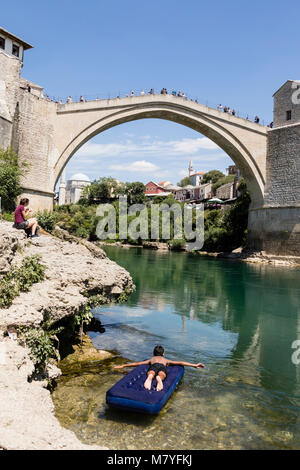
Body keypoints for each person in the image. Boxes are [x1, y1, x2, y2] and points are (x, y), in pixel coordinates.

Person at [114, 345, 205, 392]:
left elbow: (137, 363)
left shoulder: (152, 359)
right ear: (163, 353)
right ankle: (159, 379)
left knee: (151, 372)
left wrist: (123, 366)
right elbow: (180, 362)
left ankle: (150, 377)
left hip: (153, 366)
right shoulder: (165, 360)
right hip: (162, 367)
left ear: (153, 353)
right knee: (162, 374)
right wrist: (194, 365)